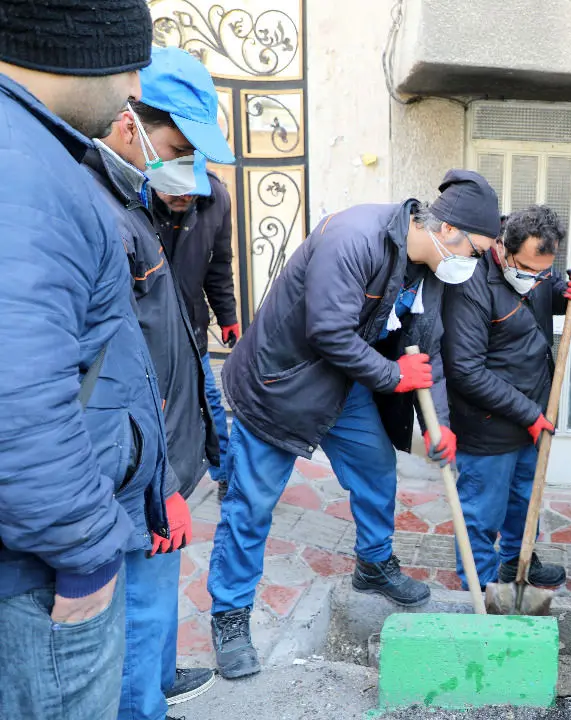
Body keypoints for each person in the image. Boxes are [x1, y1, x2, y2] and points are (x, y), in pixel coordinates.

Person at [209, 169, 502, 679]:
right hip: (280, 385)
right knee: (252, 505)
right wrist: (392, 377)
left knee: (375, 468)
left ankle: (373, 564)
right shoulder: (355, 237)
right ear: (448, 230)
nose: (473, 264)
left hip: (343, 387)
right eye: (476, 251)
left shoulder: (427, 266)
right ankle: (229, 616)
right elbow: (327, 331)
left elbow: (424, 349)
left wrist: (441, 424)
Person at [0, 2, 171, 719]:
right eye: (130, 62)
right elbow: (17, 396)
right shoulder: (25, 175)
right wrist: (86, 551)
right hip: (43, 568)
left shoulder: (35, 155)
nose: (132, 83)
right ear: (77, 48)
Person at [83, 46, 236, 719]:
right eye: (172, 146)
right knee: (135, 629)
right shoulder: (105, 213)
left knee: (148, 619)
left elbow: (191, 301)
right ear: (127, 121)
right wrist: (158, 485)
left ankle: (156, 684)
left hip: (159, 456)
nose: (176, 165)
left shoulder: (141, 203)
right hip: (135, 478)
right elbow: (111, 376)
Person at [442, 205, 571, 590]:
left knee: (525, 501)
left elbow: (549, 295)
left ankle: (517, 560)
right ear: (502, 246)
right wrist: (528, 413)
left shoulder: (536, 269)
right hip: (488, 425)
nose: (534, 277)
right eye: (526, 268)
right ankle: (481, 590)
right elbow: (466, 371)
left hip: (532, 417)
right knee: (481, 514)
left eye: (542, 270)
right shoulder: (470, 283)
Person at [154, 157, 237, 501]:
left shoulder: (216, 198)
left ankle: (226, 473)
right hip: (146, 331)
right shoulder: (132, 196)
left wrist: (228, 315)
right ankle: (156, 480)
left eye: (191, 192)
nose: (184, 198)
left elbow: (219, 264)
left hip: (191, 326)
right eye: (174, 192)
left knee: (208, 401)